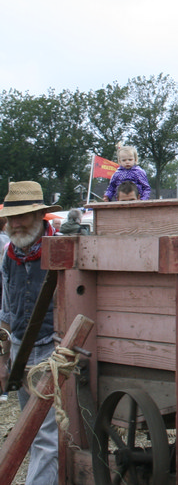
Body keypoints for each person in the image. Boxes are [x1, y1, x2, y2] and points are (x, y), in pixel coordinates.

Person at [0, 181, 60, 484]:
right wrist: (3, 359)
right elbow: (6, 312)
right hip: (20, 350)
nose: (15, 224)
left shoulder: (62, 250)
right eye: (11, 218)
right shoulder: (8, 256)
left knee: (46, 434)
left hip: (54, 349)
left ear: (40, 216)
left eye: (22, 217)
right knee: (32, 430)